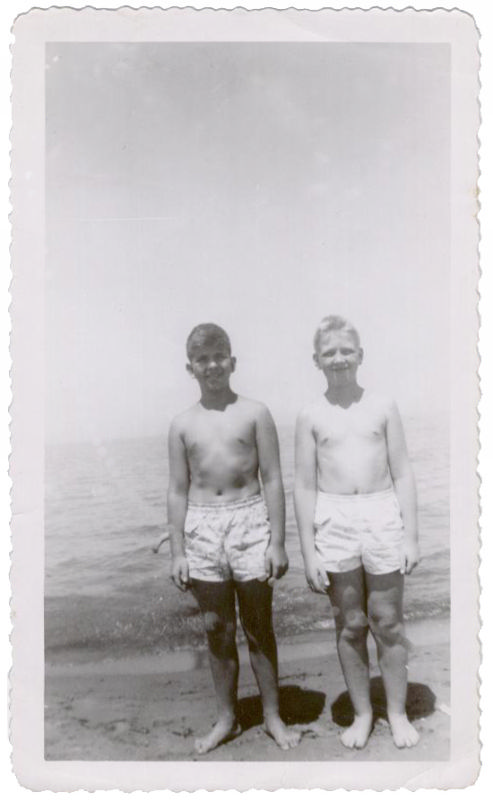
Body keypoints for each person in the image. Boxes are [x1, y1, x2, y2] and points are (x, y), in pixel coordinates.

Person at [167, 323, 300, 755]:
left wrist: (277, 541)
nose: (212, 366)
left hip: (250, 521)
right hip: (202, 527)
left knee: (258, 625)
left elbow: (273, 478)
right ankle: (226, 718)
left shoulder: (256, 413)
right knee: (217, 628)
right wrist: (178, 551)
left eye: (219, 356)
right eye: (202, 359)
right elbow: (178, 490)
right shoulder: (181, 424)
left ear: (233, 362)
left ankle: (273, 716)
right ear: (190, 368)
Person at [294, 315, 420, 750]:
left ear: (361, 355)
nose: (339, 358)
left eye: (346, 350)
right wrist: (308, 551)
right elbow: (304, 485)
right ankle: (363, 713)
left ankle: (398, 712)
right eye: (329, 352)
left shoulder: (383, 406)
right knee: (349, 624)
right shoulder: (310, 415)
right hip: (334, 518)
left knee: (388, 621)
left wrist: (410, 536)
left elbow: (402, 472)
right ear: (316, 360)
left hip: (381, 513)